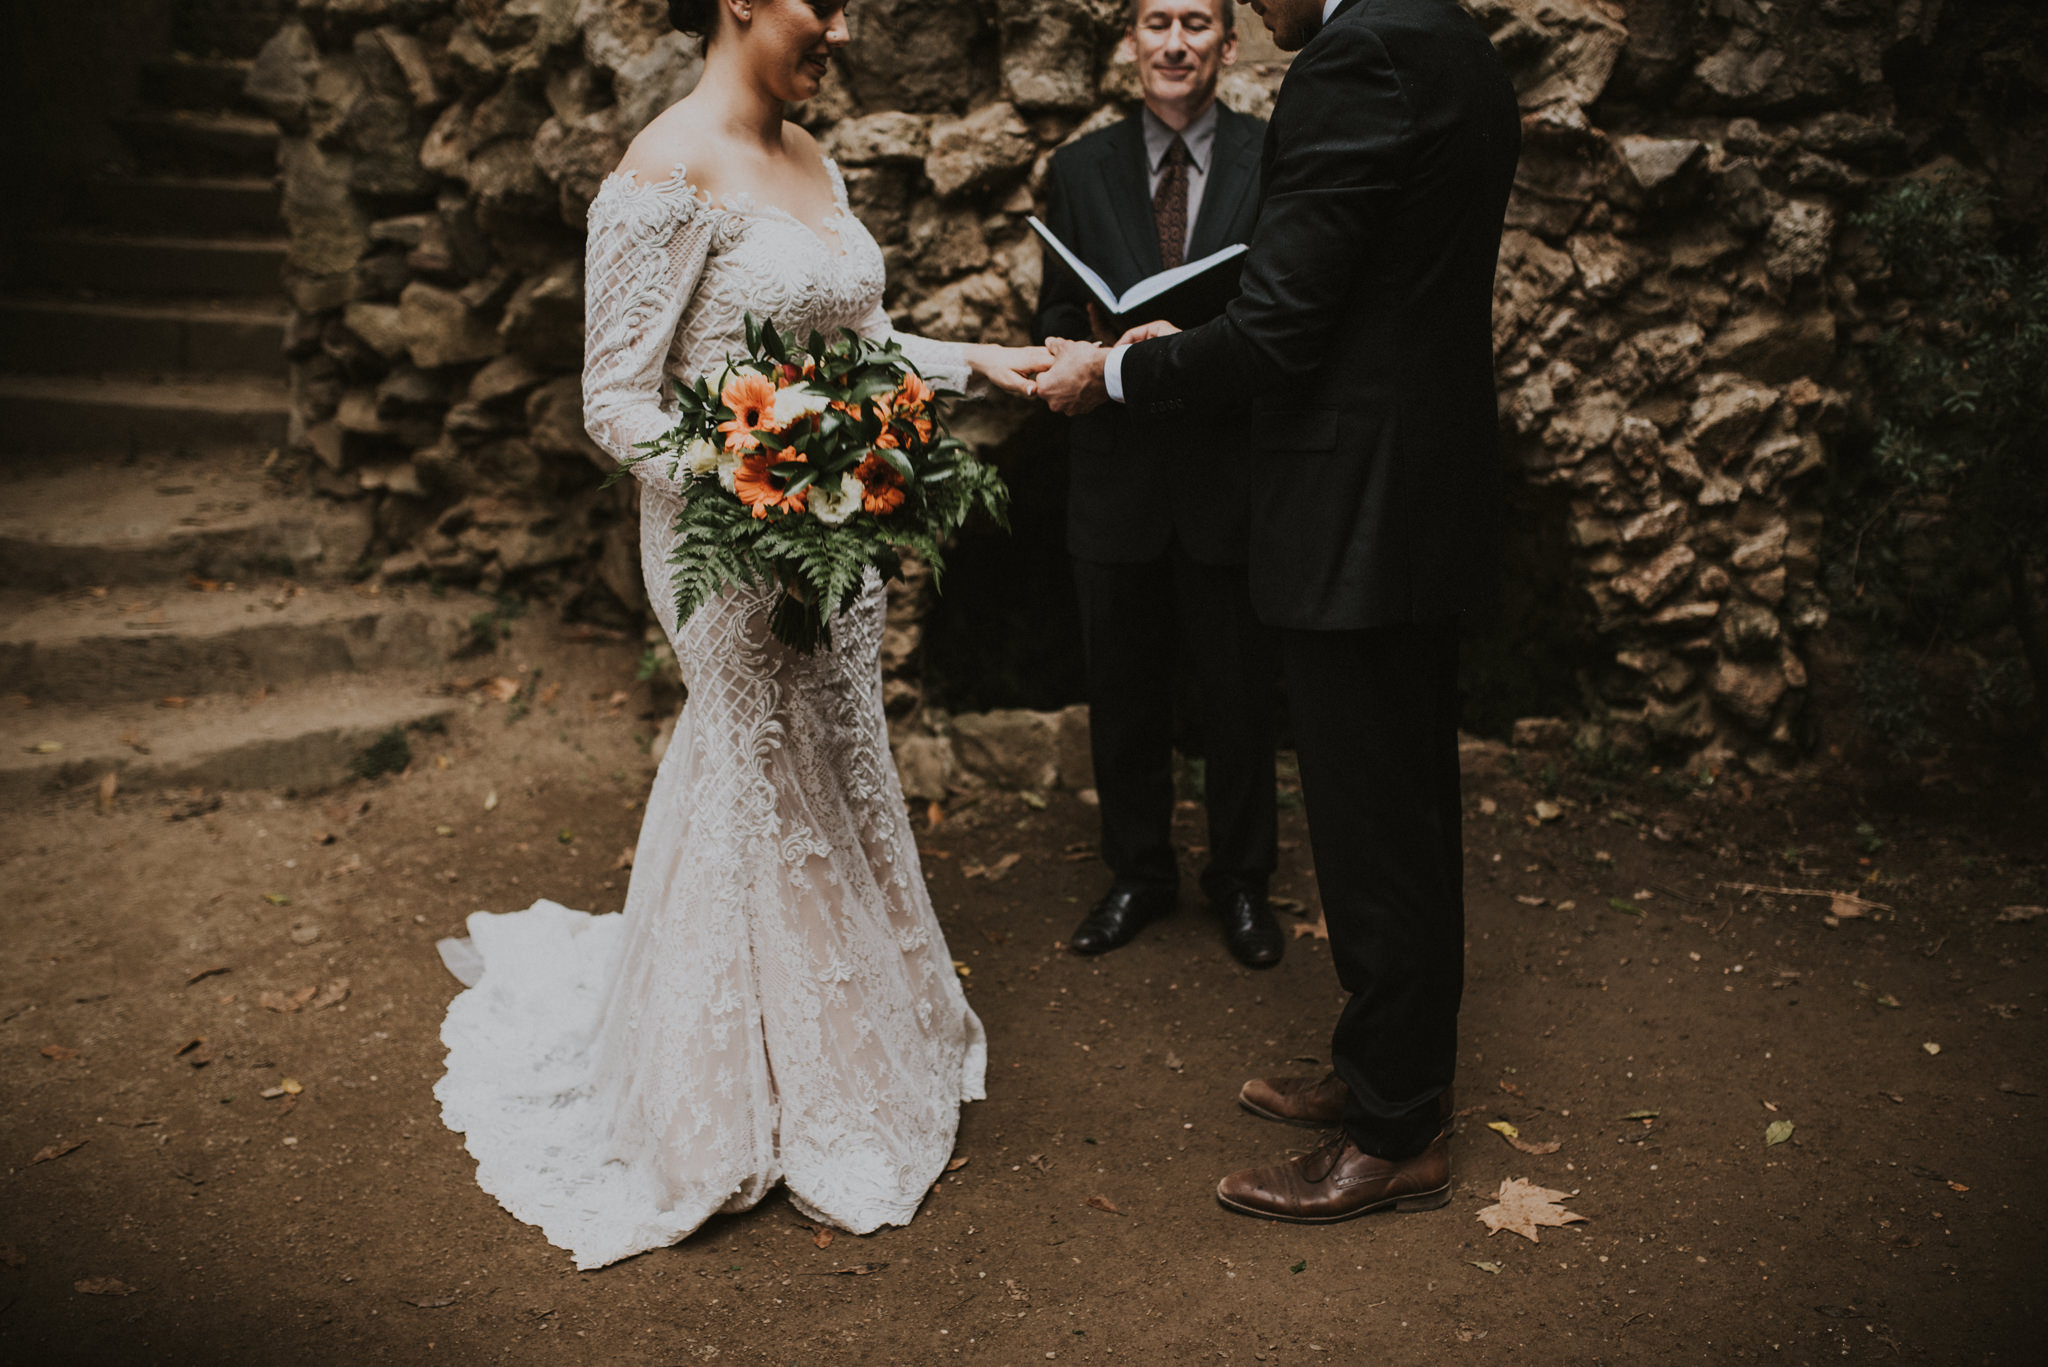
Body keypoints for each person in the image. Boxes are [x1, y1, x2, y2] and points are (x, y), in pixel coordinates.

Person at [431, 0, 1051, 1270]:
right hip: (726, 545)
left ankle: (841, 1045)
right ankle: (728, 1101)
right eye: (823, 4)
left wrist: (980, 363)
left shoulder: (814, 156)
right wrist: (751, 474)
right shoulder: (664, 166)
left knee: (832, 762)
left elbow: (861, 347)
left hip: (835, 533)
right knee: (753, 767)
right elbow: (614, 395)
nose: (844, 29)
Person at [1036, 0, 1520, 1222]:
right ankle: (1380, 1065)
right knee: (1394, 803)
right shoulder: (1448, 33)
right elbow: (1355, 262)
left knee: (1373, 821)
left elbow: (1287, 328)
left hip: (1356, 496)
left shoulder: (1357, 55)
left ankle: (1396, 1128)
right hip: (1412, 484)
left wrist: (1123, 367)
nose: (1254, 7)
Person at [1034, 0, 1282, 969]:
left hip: (1229, 474)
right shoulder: (1079, 167)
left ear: (1226, 42)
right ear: (1129, 43)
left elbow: (1282, 314)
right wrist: (1091, 354)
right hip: (1117, 472)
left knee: (1237, 694)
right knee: (1122, 690)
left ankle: (1243, 881)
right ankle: (1137, 870)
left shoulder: (1274, 154)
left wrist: (1195, 348)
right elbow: (1052, 311)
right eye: (1154, 22)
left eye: (1194, 22)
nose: (1173, 43)